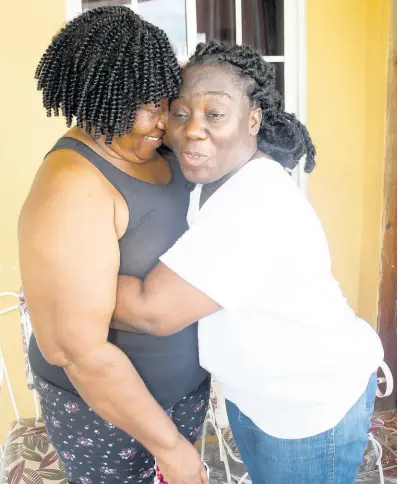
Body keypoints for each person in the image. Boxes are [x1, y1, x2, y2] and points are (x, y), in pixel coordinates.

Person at [114, 41, 385, 484]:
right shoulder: (216, 176)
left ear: (253, 118)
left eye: (215, 114)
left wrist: (65, 284)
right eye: (180, 114)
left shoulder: (256, 201)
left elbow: (152, 310)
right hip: (256, 395)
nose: (193, 131)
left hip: (307, 406)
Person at [18, 7, 210, 484]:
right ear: (99, 99)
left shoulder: (161, 150)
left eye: (165, 100)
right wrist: (171, 449)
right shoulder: (71, 185)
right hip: (108, 420)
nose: (162, 120)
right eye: (145, 105)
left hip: (183, 393)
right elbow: (77, 351)